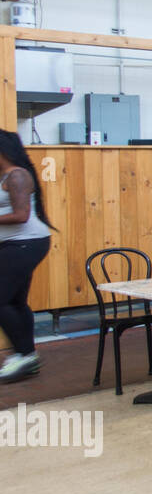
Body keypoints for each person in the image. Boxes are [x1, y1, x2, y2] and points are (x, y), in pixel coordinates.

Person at [0, 130, 54, 382]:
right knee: (15, 302)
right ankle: (27, 356)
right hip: (17, 244)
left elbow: (21, 215)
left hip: (26, 243)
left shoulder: (18, 176)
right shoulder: (6, 177)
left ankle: (23, 355)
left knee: (2, 301)